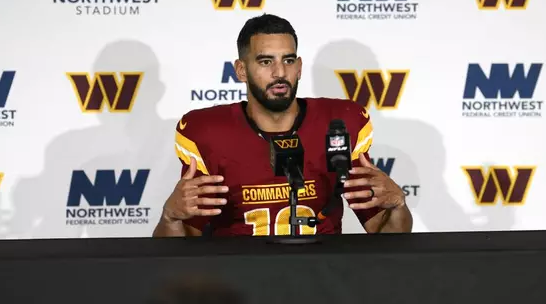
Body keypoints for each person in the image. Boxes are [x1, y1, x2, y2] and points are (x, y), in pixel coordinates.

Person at [153, 14, 412, 237]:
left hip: (321, 278)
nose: (279, 73)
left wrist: (398, 205)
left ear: (299, 68)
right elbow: (180, 249)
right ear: (241, 70)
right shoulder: (207, 132)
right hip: (236, 283)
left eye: (288, 61)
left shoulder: (341, 123)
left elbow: (385, 233)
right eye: (266, 62)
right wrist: (170, 217)